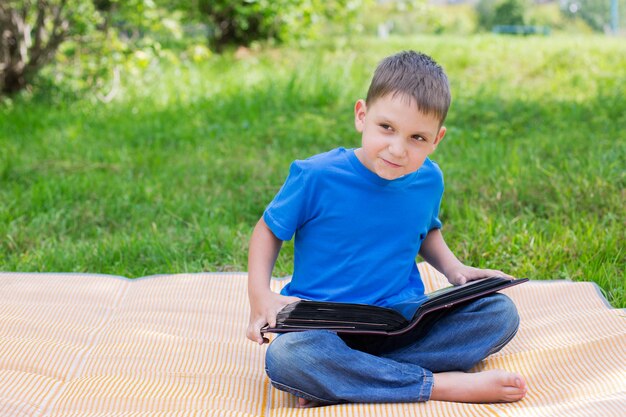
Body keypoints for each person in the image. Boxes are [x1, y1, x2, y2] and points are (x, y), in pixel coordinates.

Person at [246, 50, 527, 407]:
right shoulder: (316, 175)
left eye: (417, 138)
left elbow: (425, 229)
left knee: (498, 314)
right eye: (387, 128)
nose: (398, 149)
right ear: (362, 115)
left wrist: (455, 269)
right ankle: (436, 385)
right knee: (289, 357)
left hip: (400, 320)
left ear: (437, 139)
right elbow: (267, 231)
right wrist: (260, 296)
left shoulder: (428, 179)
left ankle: (343, 379)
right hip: (323, 326)